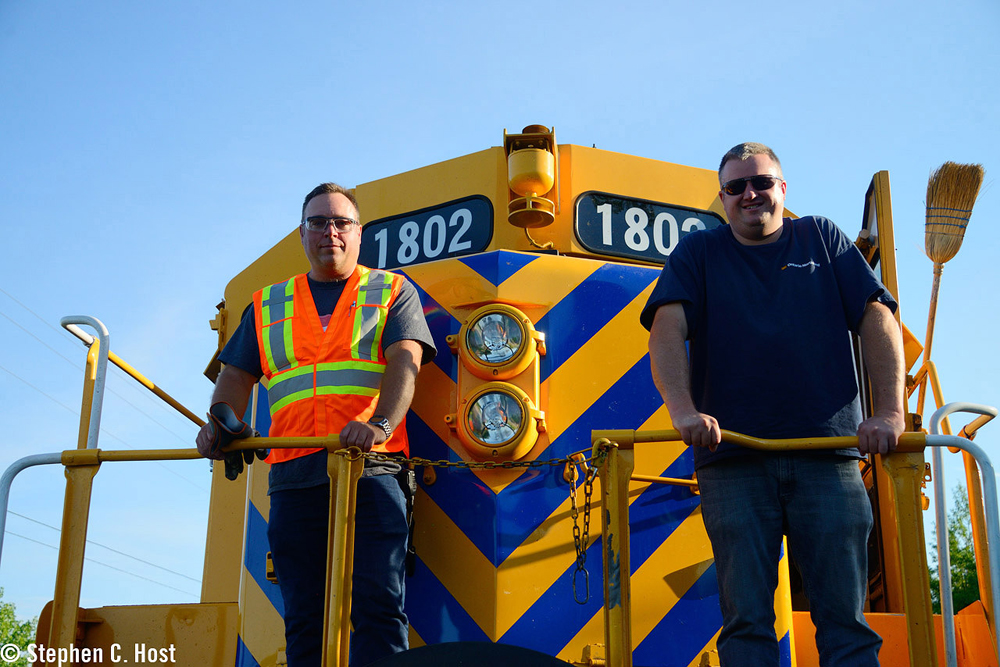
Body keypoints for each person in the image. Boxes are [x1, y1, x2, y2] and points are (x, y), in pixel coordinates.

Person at [640, 143, 905, 666]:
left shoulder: (823, 238)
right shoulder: (698, 253)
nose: (749, 194)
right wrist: (682, 410)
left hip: (827, 457)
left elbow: (877, 317)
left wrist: (891, 412)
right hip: (734, 461)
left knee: (848, 626)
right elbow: (667, 328)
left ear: (783, 189)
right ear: (722, 198)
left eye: (761, 182)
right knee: (747, 627)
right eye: (736, 187)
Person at [196, 182, 436, 667]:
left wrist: (381, 424)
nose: (331, 231)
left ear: (359, 233)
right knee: (304, 619)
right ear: (301, 233)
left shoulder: (392, 291)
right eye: (319, 222)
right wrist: (220, 421)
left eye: (341, 222)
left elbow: (405, 363)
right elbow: (235, 377)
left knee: (380, 609)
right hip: (293, 476)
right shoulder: (267, 304)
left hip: (374, 470)